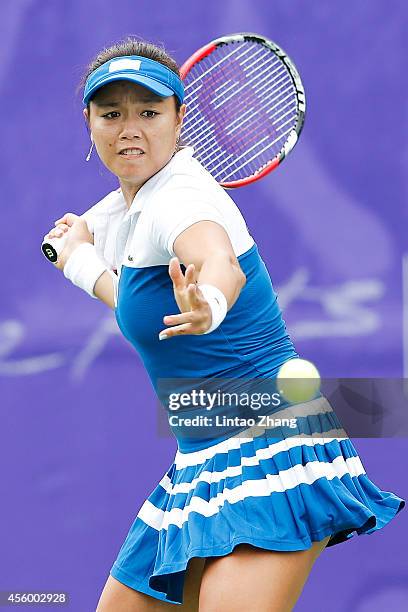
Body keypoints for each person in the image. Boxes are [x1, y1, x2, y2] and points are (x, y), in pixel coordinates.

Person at [44, 37, 405, 612]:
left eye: (149, 112)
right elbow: (141, 309)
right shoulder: (132, 209)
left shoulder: (180, 198)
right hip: (201, 458)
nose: (130, 128)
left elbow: (219, 262)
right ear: (88, 123)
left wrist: (209, 301)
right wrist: (82, 262)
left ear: (180, 119)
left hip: (272, 442)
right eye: (112, 114)